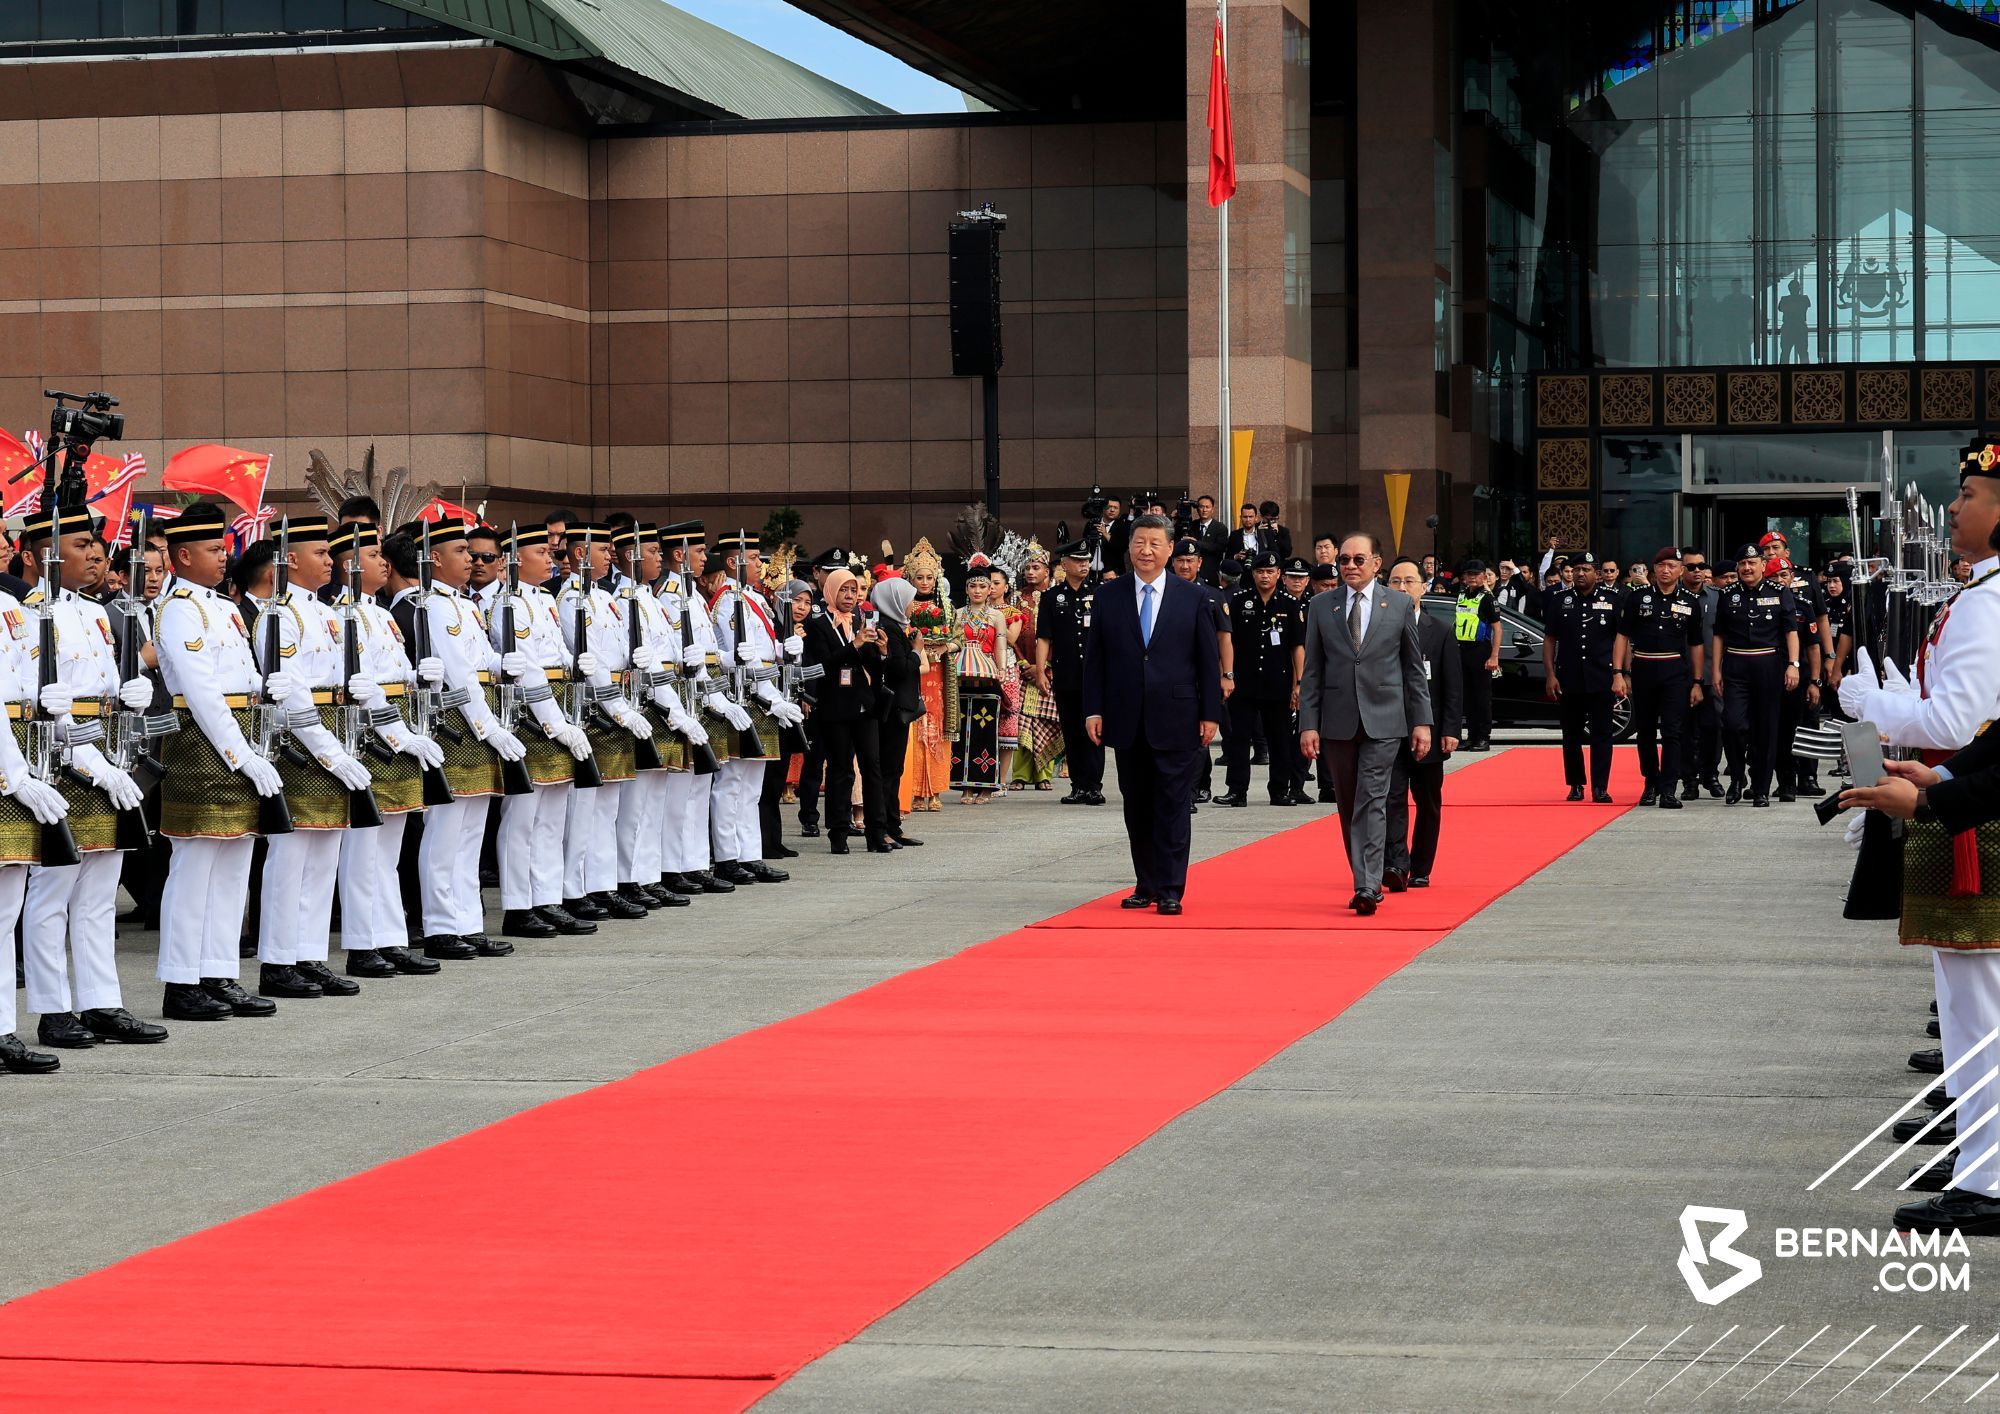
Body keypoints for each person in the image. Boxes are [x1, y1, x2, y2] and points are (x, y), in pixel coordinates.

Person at [1838, 443, 2000, 1232]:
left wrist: (1887, 710)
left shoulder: (1990, 603)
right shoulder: (1983, 595)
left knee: (1981, 1008)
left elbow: (1961, 720)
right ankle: (1978, 1155)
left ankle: (1990, 1175)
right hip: (1959, 793)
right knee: (1969, 1000)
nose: (1957, 507)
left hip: (1980, 822)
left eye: (1970, 494)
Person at [16, 505, 159, 1049]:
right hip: (62, 762)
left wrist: (132, 693)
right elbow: (44, 708)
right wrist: (94, 765)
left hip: (109, 759)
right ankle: (54, 1011)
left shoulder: (99, 613)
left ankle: (102, 1001)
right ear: (39, 556)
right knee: (53, 893)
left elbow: (103, 686)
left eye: (95, 543)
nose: (95, 552)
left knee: (99, 893)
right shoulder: (26, 613)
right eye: (79, 544)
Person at [153, 504, 286, 1021]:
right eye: (213, 550)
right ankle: (182, 980)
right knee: (195, 867)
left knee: (234, 865)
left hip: (241, 735)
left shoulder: (221, 606)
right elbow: (203, 692)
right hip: (202, 745)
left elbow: (240, 674)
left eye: (223, 548)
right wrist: (240, 753)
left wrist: (265, 690)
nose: (223, 558)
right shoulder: (182, 606)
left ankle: (218, 971)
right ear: (183, 555)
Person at [1082, 514, 1222, 915]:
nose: (1146, 550)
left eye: (1155, 543)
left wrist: (1210, 712)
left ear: (1170, 549)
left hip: (1178, 715)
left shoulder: (1193, 596)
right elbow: (1097, 661)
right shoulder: (1109, 595)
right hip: (1125, 716)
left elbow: (1206, 660)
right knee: (1137, 803)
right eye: (1139, 542)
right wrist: (1093, 709)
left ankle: (1172, 887)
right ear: (1129, 547)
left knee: (1174, 803)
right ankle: (1145, 882)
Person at [1297, 532, 1431, 915]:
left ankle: (1367, 886)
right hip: (1337, 722)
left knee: (1372, 800)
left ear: (1376, 564)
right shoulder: (1322, 606)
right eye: (1344, 560)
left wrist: (1422, 722)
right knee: (1347, 803)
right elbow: (1313, 672)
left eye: (1359, 560)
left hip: (1385, 720)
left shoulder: (1400, 604)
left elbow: (1412, 671)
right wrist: (1308, 724)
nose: (1350, 567)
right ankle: (1364, 874)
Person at [486, 523, 594, 940]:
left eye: (550, 554)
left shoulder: (544, 599)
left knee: (552, 816)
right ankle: (519, 904)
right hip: (531, 717)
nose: (551, 558)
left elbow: (558, 655)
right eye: (541, 554)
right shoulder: (506, 605)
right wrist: (554, 722)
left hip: (560, 706)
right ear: (514, 560)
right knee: (524, 818)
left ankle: (547, 897)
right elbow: (527, 668)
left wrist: (576, 664)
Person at [1383, 556, 1461, 890]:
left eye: (1409, 581)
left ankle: (1421, 866)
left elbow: (1452, 686)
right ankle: (1396, 864)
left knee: (1427, 801)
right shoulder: (1378, 628)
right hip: (1388, 729)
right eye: (1396, 581)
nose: (1402, 587)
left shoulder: (1440, 630)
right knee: (1391, 798)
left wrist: (1450, 730)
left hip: (1428, 730)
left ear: (1423, 587)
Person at [1612, 546, 1705, 810]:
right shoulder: (1637, 597)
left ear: (1680, 570)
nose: (1666, 570)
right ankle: (1650, 782)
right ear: (1654, 570)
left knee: (1673, 732)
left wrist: (1698, 682)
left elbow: (1696, 645)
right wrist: (1618, 673)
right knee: (1645, 731)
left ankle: (1668, 788)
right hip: (1644, 669)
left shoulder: (1689, 601)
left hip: (1675, 671)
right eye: (1662, 566)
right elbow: (1622, 636)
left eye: (1672, 566)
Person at [803, 567, 888, 853]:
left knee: (872, 767)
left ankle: (877, 832)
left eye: (854, 590)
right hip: (835, 707)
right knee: (840, 770)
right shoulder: (818, 624)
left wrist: (881, 651)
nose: (850, 596)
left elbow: (872, 665)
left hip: (865, 705)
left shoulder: (861, 620)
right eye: (844, 590)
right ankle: (838, 832)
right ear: (831, 591)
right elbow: (823, 665)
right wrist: (854, 645)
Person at [1709, 543, 1799, 807]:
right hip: (1736, 665)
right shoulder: (1727, 594)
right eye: (1742, 564)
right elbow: (1718, 635)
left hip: (1768, 665)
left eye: (1752, 563)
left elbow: (1790, 631)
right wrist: (1716, 669)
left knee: (1767, 730)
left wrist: (1793, 664)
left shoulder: (1779, 592)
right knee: (1733, 724)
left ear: (1762, 564)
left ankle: (1761, 787)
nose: (1747, 568)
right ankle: (1737, 778)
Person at [1217, 550, 1303, 808]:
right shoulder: (1239, 600)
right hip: (1243, 681)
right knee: (1238, 738)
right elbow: (1227, 640)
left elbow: (1297, 647)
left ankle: (1279, 790)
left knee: (1279, 739)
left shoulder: (1289, 603)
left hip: (1278, 683)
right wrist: (1227, 675)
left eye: (1269, 572)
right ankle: (1236, 790)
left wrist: (1299, 684)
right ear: (1252, 574)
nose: (1264, 576)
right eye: (1259, 572)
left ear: (1279, 575)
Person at [1541, 550, 1619, 803]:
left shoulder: (1612, 599)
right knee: (1571, 734)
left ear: (1597, 573)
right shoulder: (1559, 600)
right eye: (1576, 570)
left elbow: (1621, 640)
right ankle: (1576, 783)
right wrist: (1550, 674)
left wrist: (1621, 674)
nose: (1581, 574)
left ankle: (1600, 786)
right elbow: (1550, 639)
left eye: (1586, 569)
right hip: (1569, 677)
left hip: (1601, 676)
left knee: (1602, 734)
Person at [1037, 542, 1102, 806]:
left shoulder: (1099, 594)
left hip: (1095, 675)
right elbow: (1044, 637)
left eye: (1087, 561)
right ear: (1064, 565)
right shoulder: (1053, 597)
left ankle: (1094, 786)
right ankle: (1078, 785)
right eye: (1078, 561)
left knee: (1096, 730)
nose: (1084, 565)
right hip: (1066, 674)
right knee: (1073, 731)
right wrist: (1041, 670)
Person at [1170, 535, 1230, 805]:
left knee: (1200, 733)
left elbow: (1224, 638)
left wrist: (1227, 674)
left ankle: (1195, 789)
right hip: (1171, 677)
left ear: (1200, 563)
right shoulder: (1163, 593)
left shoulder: (1212, 595)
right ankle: (1189, 788)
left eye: (1190, 561)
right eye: (1180, 561)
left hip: (1202, 676)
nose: (1185, 566)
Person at [952, 557, 1017, 803]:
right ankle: (966, 785)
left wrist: (1001, 669)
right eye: (972, 586)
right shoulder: (958, 615)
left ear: (991, 589)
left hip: (988, 674)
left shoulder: (995, 616)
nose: (977, 591)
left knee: (986, 730)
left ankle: (987, 785)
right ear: (966, 589)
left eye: (982, 586)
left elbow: (1001, 645)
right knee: (963, 729)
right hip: (962, 676)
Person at [898, 539, 954, 814]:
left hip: (938, 673)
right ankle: (916, 791)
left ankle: (935, 790)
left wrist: (945, 646)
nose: (924, 582)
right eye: (918, 577)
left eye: (929, 577)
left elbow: (959, 639)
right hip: (913, 671)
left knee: (936, 725)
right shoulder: (903, 609)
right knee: (915, 726)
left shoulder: (946, 607)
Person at [867, 575, 923, 848]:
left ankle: (893, 825)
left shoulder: (895, 626)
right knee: (888, 769)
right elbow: (899, 669)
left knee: (894, 768)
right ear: (896, 601)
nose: (912, 605)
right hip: (891, 709)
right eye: (909, 599)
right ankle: (884, 826)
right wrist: (916, 652)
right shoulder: (887, 628)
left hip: (898, 707)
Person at [1009, 546, 1061, 791]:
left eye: (1036, 567)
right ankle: (1019, 775)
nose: (1030, 572)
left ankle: (1043, 774)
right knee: (1022, 722)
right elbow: (1012, 637)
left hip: (1050, 670)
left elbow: (1059, 638)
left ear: (1047, 571)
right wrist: (1024, 664)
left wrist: (1044, 666)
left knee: (1044, 721)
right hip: (1022, 668)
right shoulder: (1017, 599)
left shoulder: (1056, 598)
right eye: (1027, 568)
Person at [1453, 559, 1501, 752]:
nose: (1472, 577)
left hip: (1481, 651)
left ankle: (1483, 738)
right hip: (1462, 650)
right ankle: (1471, 736)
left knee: (1482, 698)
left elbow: (1498, 629)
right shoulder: (1462, 595)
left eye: (1476, 574)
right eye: (1469, 574)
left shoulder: (1488, 598)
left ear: (1484, 576)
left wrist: (1494, 656)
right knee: (1468, 697)